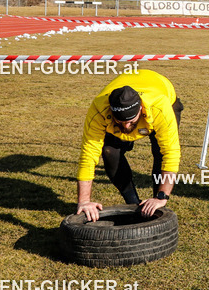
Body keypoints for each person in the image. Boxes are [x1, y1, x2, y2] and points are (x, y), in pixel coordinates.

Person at [76, 69, 184, 222]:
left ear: (140, 109)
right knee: (108, 151)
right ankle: (132, 202)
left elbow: (171, 153)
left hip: (160, 87)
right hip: (126, 85)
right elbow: (88, 154)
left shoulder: (159, 106)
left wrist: (161, 197)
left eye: (131, 122)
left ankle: (157, 203)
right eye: (120, 122)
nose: (126, 127)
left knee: (160, 152)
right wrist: (84, 201)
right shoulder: (99, 109)